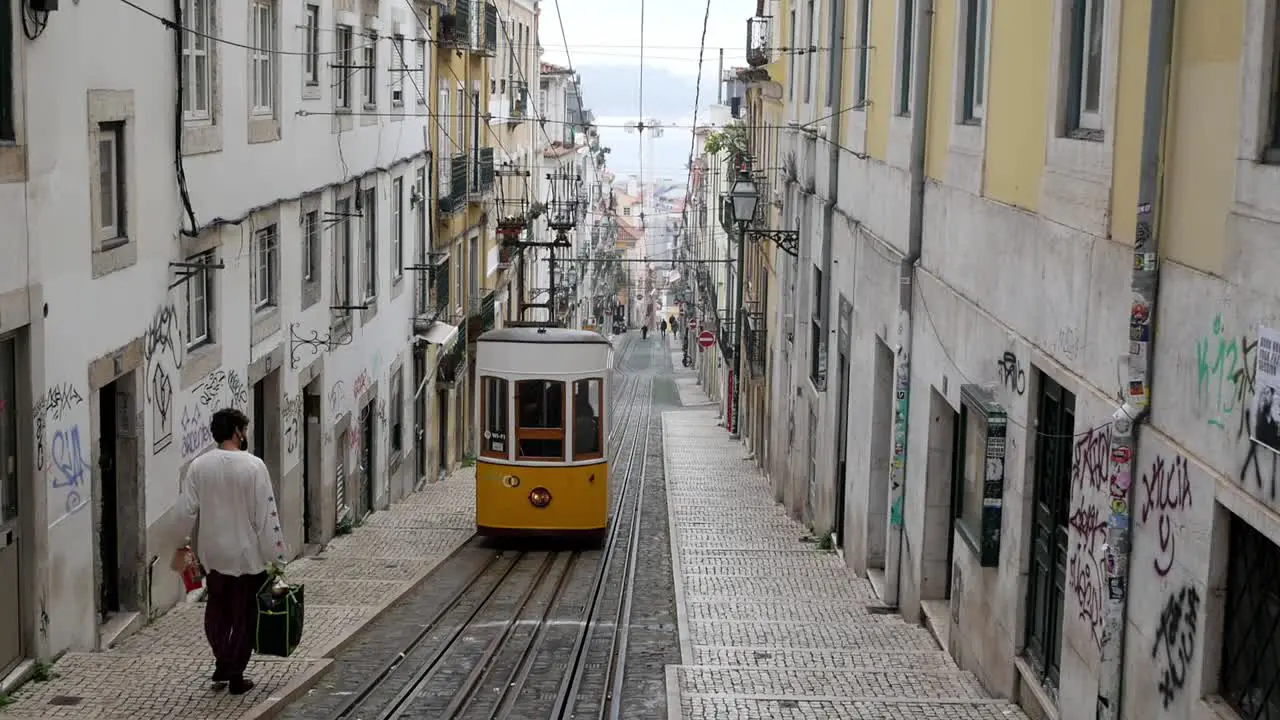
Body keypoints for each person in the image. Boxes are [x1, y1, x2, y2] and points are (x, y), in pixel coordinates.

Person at [177, 408, 288, 695]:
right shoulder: (253, 466)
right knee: (244, 617)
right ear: (238, 431)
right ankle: (235, 672)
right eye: (245, 429)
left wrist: (183, 546)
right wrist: (277, 559)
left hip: (212, 554)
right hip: (246, 556)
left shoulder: (198, 466)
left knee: (217, 611)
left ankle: (222, 661)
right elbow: (267, 516)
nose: (246, 435)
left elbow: (186, 511)